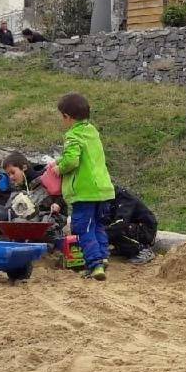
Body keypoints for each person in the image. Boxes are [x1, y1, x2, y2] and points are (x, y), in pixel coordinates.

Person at [55, 92, 115, 281]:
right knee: (98, 225)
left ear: (67, 117)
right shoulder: (92, 132)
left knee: (83, 228)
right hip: (103, 190)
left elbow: (71, 161)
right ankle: (103, 256)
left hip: (85, 192)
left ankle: (95, 264)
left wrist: (59, 167)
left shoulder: (73, 135)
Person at [106, 187, 158, 264]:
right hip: (132, 226)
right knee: (106, 227)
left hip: (145, 230)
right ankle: (122, 249)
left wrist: (102, 236)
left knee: (117, 228)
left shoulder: (123, 197)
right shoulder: (106, 199)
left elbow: (121, 223)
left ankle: (142, 250)